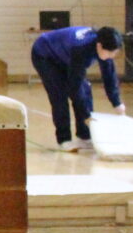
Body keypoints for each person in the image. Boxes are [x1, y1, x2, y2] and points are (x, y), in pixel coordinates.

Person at [30, 23, 125, 151]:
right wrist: (87, 115)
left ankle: (84, 137)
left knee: (85, 91)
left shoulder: (104, 45)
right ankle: (64, 140)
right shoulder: (81, 49)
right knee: (59, 94)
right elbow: (74, 87)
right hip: (45, 56)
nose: (112, 56)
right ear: (99, 46)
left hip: (65, 56)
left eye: (114, 53)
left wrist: (117, 103)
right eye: (110, 53)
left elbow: (109, 76)